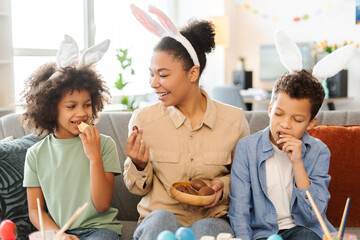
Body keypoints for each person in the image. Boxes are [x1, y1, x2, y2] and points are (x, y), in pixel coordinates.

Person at [124, 5, 250, 240]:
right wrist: (139, 165)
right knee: (161, 221)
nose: (153, 83)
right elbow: (135, 189)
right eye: (151, 74)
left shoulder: (233, 121)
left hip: (211, 217)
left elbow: (245, 179)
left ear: (193, 73)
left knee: (209, 229)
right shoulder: (144, 120)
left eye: (163, 74)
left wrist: (222, 186)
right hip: (159, 217)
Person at [228, 30, 356, 240]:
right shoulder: (247, 148)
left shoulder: (318, 151)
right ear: (269, 109)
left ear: (311, 122)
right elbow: (239, 209)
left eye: (297, 120)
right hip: (264, 235)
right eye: (278, 114)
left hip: (304, 232)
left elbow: (313, 214)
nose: (285, 124)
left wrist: (298, 163)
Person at [22, 35, 123, 240]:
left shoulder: (104, 145)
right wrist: (58, 235)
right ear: (51, 109)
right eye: (71, 106)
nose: (82, 113)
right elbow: (35, 211)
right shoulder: (35, 154)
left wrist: (94, 157)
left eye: (86, 104)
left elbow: (102, 204)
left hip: (100, 230)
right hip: (59, 232)